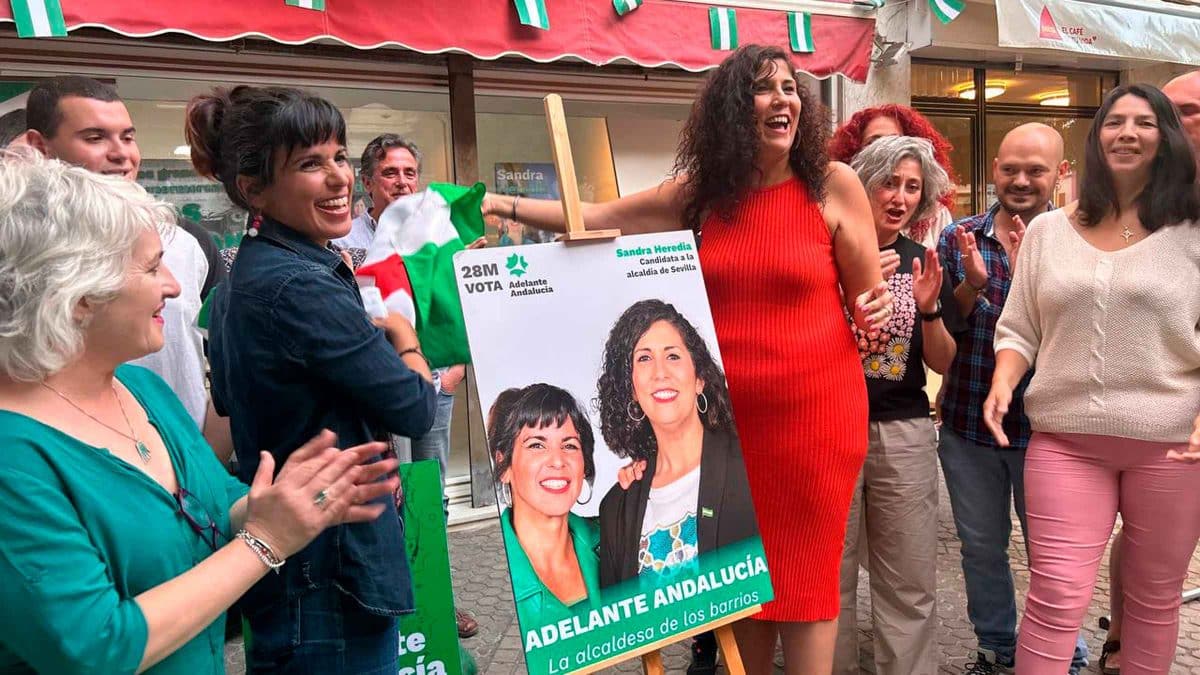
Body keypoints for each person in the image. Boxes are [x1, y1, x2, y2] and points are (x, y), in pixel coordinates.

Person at [481, 44, 892, 674]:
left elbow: (870, 309)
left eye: (789, 88)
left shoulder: (833, 186)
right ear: (733, 110)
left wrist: (877, 317)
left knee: (808, 583)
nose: (781, 100)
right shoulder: (701, 195)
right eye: (762, 89)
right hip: (728, 430)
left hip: (815, 423)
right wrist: (501, 208)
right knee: (742, 584)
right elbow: (596, 218)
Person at [0, 149, 399, 674]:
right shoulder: (15, 459)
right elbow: (97, 645)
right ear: (76, 295)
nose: (173, 284)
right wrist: (265, 541)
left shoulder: (142, 390)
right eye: (150, 267)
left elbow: (214, 498)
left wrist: (295, 500)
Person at [186, 85, 438, 674]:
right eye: (309, 163)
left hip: (294, 562)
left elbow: (233, 402)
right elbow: (415, 408)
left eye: (339, 156)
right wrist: (404, 337)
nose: (337, 178)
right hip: (330, 574)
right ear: (254, 189)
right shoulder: (299, 285)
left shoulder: (245, 276)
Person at [984, 83, 1200, 675]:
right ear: (1097, 137)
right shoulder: (1049, 232)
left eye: (1145, 122)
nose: (1127, 132)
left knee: (1154, 603)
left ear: (1167, 139)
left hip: (1173, 447)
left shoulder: (1195, 232)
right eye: (1114, 121)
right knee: (1054, 598)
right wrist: (1005, 380)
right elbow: (1020, 325)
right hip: (1065, 443)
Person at [936, 122, 1088, 675]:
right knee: (981, 549)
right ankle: (997, 649)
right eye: (1010, 169)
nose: (1021, 181)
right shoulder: (960, 237)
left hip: (1052, 431)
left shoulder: (1079, 240)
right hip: (968, 426)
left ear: (1059, 173)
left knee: (1055, 556)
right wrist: (971, 285)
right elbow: (941, 329)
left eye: (1036, 170)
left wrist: (1034, 282)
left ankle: (1064, 653)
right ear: (994, 168)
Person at [332, 132, 479, 637]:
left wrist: (456, 369)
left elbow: (457, 308)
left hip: (433, 384)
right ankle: (397, 604)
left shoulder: (436, 231)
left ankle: (440, 599)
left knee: (432, 496)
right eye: (390, 173)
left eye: (410, 173)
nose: (401, 182)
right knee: (385, 494)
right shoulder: (344, 240)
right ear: (368, 181)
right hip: (373, 389)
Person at [833, 135, 963, 675]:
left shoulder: (922, 262)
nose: (900, 196)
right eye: (889, 181)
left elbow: (941, 361)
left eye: (912, 186)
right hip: (831, 427)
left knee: (908, 578)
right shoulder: (827, 252)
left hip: (903, 430)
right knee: (829, 578)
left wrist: (930, 309)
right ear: (861, 182)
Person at [24, 75, 217, 438]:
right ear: (39, 146)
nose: (121, 153)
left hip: (184, 462)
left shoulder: (188, 241)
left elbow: (221, 352)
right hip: (66, 463)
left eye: (128, 137)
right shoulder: (18, 251)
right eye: (95, 137)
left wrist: (207, 456)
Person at [1096, 69, 1200, 675]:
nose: (1173, 121)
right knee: (1142, 542)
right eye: (1173, 110)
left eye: (1188, 112)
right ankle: (1121, 644)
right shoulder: (1142, 198)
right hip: (1155, 425)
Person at [488, 383, 602, 630]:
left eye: (570, 445)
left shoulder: (615, 540)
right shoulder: (488, 577)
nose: (558, 460)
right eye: (537, 445)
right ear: (504, 464)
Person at [830, 104, 959, 251]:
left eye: (894, 140)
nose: (886, 151)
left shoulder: (935, 215)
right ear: (855, 152)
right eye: (873, 143)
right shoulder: (835, 207)